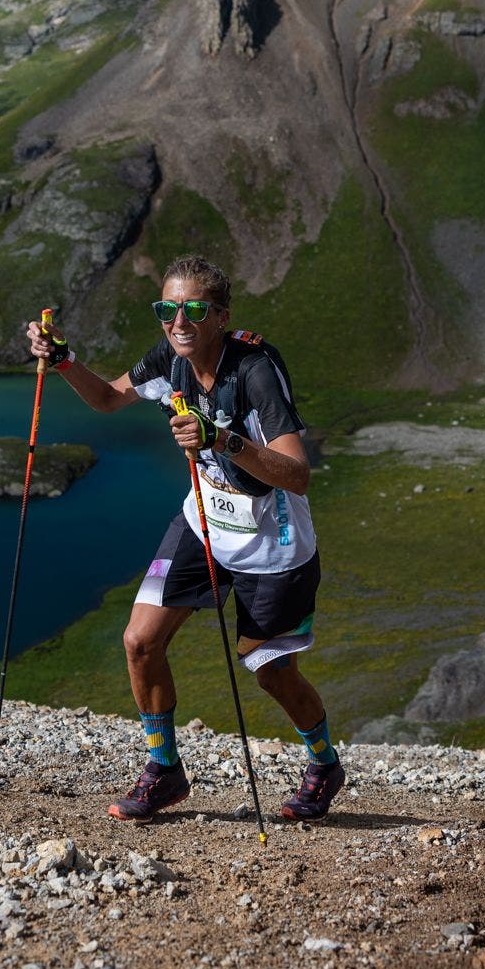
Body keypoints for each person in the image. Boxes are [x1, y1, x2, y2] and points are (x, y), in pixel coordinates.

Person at [24, 253, 346, 823]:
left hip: (272, 541)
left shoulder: (255, 370)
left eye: (194, 308)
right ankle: (164, 771)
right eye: (167, 308)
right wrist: (65, 359)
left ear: (220, 315)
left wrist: (220, 441)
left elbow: (298, 474)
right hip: (202, 521)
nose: (179, 320)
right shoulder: (168, 361)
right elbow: (107, 399)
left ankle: (323, 763)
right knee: (139, 641)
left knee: (270, 669)